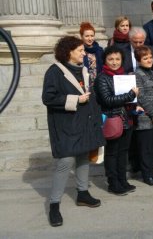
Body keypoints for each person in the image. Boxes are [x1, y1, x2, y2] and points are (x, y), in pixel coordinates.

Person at [42, 36, 106, 227]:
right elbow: (48, 98)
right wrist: (75, 100)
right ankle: (54, 204)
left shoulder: (83, 70)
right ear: (68, 52)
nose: (83, 54)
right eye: (80, 50)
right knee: (66, 161)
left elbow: (90, 96)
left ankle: (83, 193)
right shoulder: (54, 72)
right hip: (66, 124)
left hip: (84, 122)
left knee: (84, 156)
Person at [94, 45, 139, 195]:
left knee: (123, 152)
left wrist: (135, 104)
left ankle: (122, 180)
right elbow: (107, 100)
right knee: (112, 153)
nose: (114, 62)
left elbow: (129, 98)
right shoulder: (102, 78)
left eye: (117, 59)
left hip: (127, 119)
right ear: (105, 60)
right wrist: (130, 96)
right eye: (111, 59)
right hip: (112, 119)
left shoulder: (124, 75)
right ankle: (113, 182)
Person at [134, 45, 153, 186]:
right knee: (145, 147)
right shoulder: (136, 74)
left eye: (150, 57)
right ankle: (146, 174)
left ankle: (151, 170)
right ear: (139, 61)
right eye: (145, 58)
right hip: (145, 116)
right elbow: (141, 96)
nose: (149, 60)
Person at [79, 22, 103, 89]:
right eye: (87, 36)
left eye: (92, 36)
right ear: (81, 36)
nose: (90, 39)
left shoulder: (100, 50)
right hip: (84, 84)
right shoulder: (79, 51)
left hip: (99, 84)